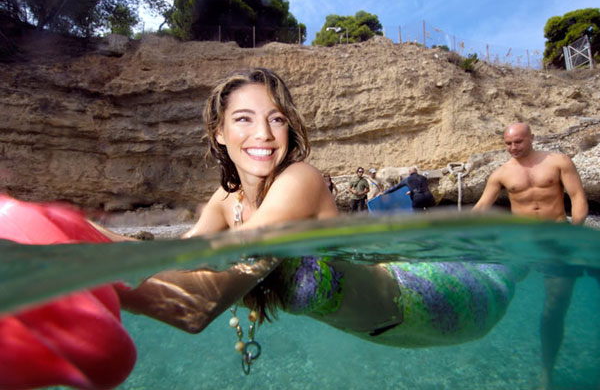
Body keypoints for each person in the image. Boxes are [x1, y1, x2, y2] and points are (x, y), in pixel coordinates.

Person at [112, 69, 523, 353]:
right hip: (388, 331)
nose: (263, 134)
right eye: (243, 119)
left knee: (514, 266)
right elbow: (173, 263)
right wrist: (77, 243)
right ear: (219, 133)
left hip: (440, 298)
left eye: (277, 119)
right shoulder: (226, 202)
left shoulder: (300, 181)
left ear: (289, 128)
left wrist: (68, 251)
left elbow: (197, 305)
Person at [472, 122, 594, 389]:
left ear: (531, 138)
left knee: (553, 309)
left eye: (518, 142)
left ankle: (546, 370)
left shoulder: (557, 162)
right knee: (493, 275)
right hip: (522, 243)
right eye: (508, 143)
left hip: (557, 240)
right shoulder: (501, 174)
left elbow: (577, 197)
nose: (513, 148)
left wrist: (573, 233)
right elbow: (481, 207)